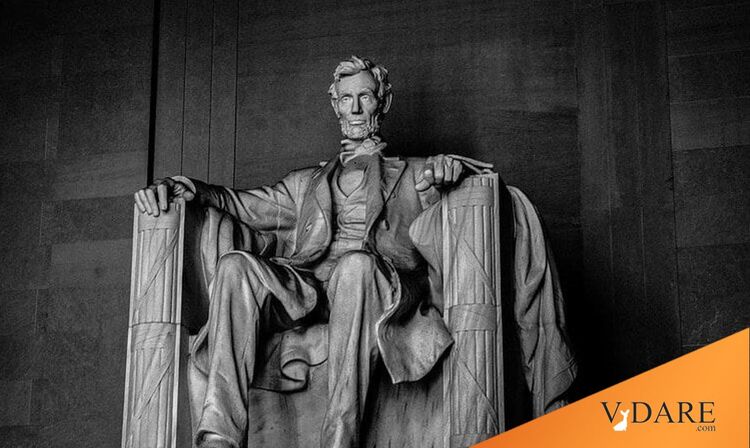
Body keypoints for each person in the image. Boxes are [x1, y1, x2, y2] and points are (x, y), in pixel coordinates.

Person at [135, 56, 467, 448]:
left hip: (377, 285)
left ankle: (340, 438)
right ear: (336, 105)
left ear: (384, 102)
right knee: (236, 266)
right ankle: (219, 437)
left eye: (365, 96)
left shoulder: (417, 173)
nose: (355, 108)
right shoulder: (306, 183)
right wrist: (189, 188)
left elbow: (462, 198)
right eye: (346, 99)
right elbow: (242, 204)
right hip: (309, 287)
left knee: (355, 267)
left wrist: (451, 174)